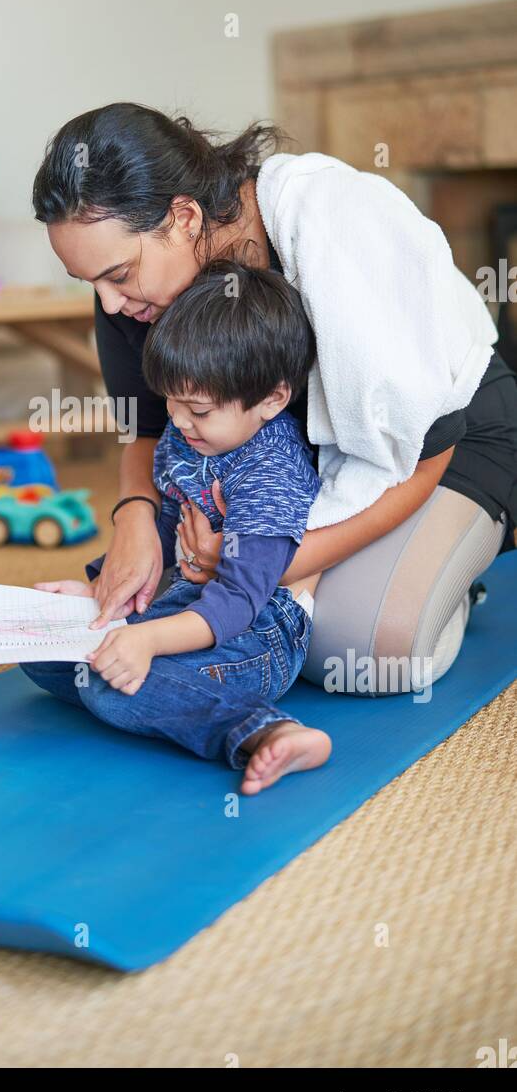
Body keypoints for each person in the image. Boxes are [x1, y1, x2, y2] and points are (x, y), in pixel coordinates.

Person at [31, 103, 517, 692]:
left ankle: (460, 572)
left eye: (117, 275)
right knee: (142, 614)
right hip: (279, 469)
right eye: (92, 284)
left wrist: (275, 562)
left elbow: (425, 444)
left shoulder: (332, 228)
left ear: (183, 216)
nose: (109, 305)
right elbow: (150, 424)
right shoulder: (134, 291)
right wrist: (133, 519)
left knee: (364, 653)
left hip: (450, 442)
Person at [22, 261, 330, 793]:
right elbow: (163, 532)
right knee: (39, 650)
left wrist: (147, 640)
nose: (180, 422)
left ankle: (265, 731)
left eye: (198, 410)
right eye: (171, 403)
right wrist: (98, 596)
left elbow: (238, 600)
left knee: (111, 690)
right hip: (183, 606)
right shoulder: (188, 437)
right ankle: (155, 680)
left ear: (273, 400)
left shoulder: (270, 471)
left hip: (256, 633)